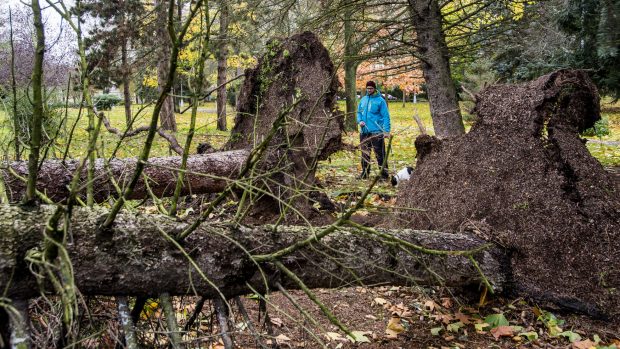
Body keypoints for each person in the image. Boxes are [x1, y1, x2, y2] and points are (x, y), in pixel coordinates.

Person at [357, 80, 391, 179]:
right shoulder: (363, 99)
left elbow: (386, 116)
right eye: (367, 88)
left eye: (371, 88)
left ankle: (384, 175)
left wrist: (386, 131)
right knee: (365, 153)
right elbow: (358, 112)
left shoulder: (381, 101)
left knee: (380, 154)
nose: (369, 90)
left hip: (377, 132)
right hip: (364, 132)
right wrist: (360, 121)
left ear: (375, 89)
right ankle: (365, 173)